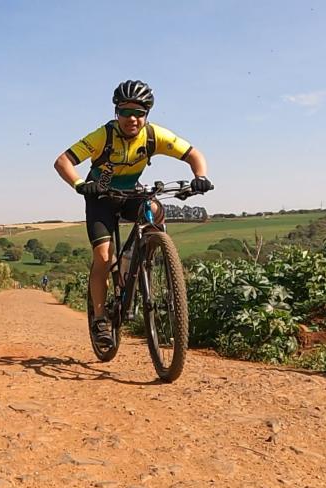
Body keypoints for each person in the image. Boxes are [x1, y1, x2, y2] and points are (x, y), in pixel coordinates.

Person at [53, 80, 213, 347]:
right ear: (117, 112)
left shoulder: (153, 135)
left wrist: (200, 176)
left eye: (139, 112)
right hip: (101, 198)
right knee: (103, 257)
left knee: (153, 208)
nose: (133, 118)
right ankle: (101, 319)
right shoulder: (103, 136)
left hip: (130, 194)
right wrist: (81, 184)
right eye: (126, 112)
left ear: (147, 114)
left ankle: (144, 251)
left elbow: (193, 153)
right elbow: (63, 161)